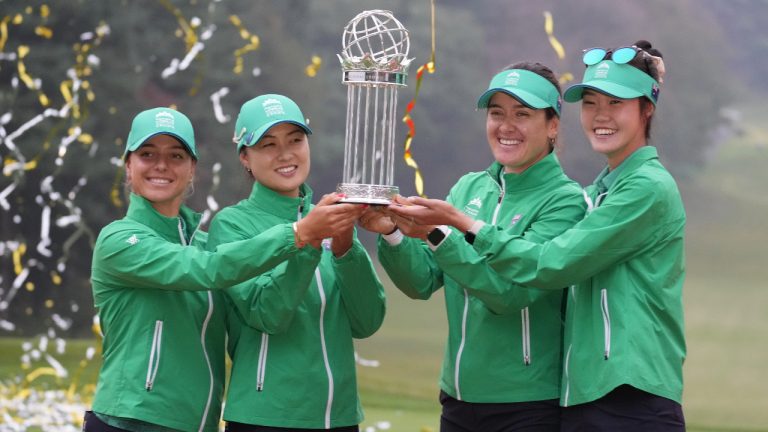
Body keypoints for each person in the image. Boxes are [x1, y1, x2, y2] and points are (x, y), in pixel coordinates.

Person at [389, 40, 686, 431]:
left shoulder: (638, 189)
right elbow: (423, 279)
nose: (601, 115)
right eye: (592, 103)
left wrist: (457, 228)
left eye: (616, 102)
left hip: (625, 395)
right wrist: (392, 231)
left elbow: (547, 267)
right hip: (580, 393)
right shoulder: (599, 192)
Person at [86, 107, 347, 432]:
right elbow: (208, 268)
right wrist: (298, 232)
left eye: (176, 155)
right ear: (128, 164)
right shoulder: (119, 239)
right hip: (130, 420)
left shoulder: (205, 243)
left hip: (199, 424)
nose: (161, 165)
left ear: (192, 169)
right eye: (147, 154)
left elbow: (259, 300)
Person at [359, 62, 585, 431]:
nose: (506, 126)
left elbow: (510, 294)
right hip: (458, 398)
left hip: (528, 402)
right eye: (496, 113)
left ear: (553, 125)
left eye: (522, 114)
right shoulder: (469, 188)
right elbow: (421, 280)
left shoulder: (565, 200)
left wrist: (438, 233)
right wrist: (392, 233)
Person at [206, 94, 386, 431]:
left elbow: (368, 321)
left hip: (339, 418)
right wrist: (309, 239)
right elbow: (267, 314)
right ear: (245, 157)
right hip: (265, 417)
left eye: (295, 140)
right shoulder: (231, 225)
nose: (285, 153)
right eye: (268, 144)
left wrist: (345, 247)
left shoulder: (329, 218)